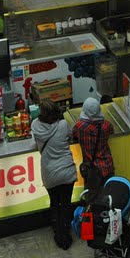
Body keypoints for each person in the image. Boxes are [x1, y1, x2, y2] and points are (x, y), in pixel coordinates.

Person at [32, 99, 77, 249]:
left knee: (54, 203)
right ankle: (65, 235)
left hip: (49, 173)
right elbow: (71, 136)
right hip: (66, 171)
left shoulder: (35, 126)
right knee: (65, 204)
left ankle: (57, 233)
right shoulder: (63, 125)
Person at [72, 97, 115, 195]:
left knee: (92, 199)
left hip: (92, 170)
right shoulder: (106, 125)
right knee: (108, 197)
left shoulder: (80, 127)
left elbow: (73, 135)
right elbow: (112, 131)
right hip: (107, 166)